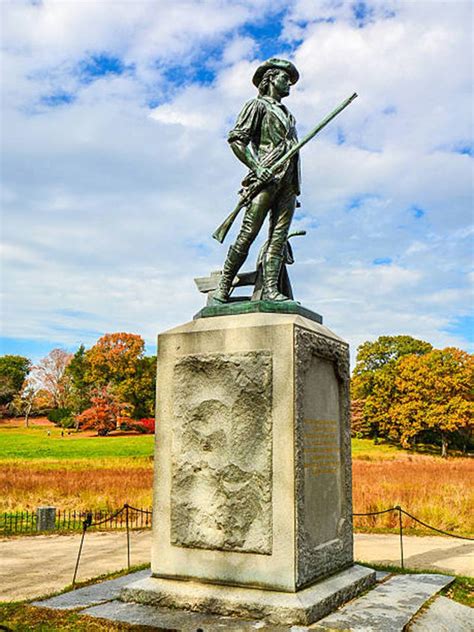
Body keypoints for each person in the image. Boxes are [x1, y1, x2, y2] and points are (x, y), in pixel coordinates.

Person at [213, 58, 301, 303]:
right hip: (265, 179)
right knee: (248, 234)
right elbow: (237, 140)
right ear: (271, 78)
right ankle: (224, 285)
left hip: (289, 183)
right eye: (285, 78)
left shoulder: (288, 115)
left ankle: (271, 290)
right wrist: (257, 166)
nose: (289, 85)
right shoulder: (256, 106)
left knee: (278, 238)